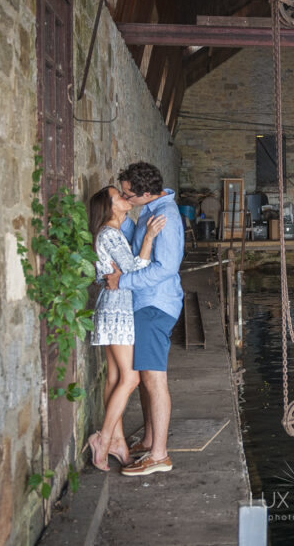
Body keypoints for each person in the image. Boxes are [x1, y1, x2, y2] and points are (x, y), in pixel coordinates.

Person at [104, 162, 184, 476]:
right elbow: (138, 250)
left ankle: (160, 456)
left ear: (147, 193)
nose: (126, 197)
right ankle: (150, 439)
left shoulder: (166, 218)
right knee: (144, 379)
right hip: (145, 305)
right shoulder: (148, 210)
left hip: (154, 307)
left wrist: (122, 282)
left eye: (128, 195)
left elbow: (165, 268)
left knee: (153, 380)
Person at [85, 185, 166, 471]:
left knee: (115, 376)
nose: (124, 198)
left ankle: (117, 441)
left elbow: (123, 272)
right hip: (118, 308)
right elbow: (134, 272)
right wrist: (150, 238)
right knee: (130, 379)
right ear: (110, 207)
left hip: (111, 306)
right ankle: (103, 438)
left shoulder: (110, 234)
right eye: (118, 196)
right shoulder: (111, 233)